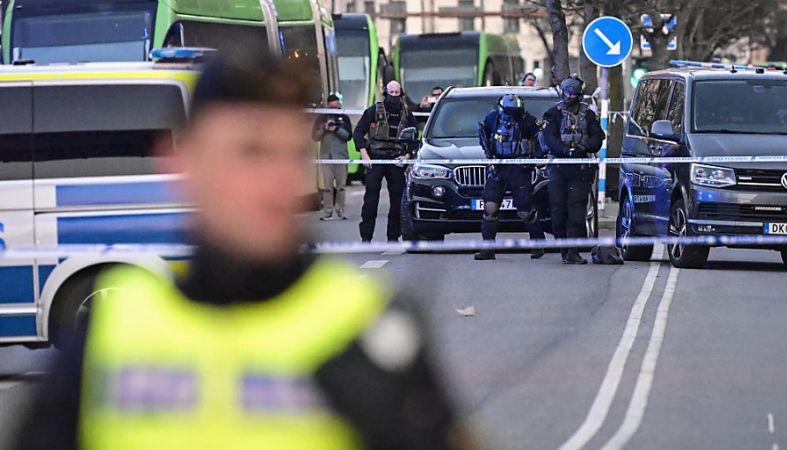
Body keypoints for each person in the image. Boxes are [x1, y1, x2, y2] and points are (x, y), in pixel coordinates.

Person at [14, 51, 471, 450]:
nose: (279, 182)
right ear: (181, 160)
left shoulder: (366, 331)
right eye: (251, 152)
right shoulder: (110, 337)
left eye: (291, 154)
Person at [541, 75, 605, 264]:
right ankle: (563, 247)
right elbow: (550, 140)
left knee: (577, 211)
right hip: (558, 168)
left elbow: (597, 138)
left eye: (574, 94)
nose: (570, 98)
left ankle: (573, 250)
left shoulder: (589, 115)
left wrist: (583, 148)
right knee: (558, 210)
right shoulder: (552, 114)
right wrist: (565, 151)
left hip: (580, 168)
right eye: (568, 93)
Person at [473, 94, 545, 261]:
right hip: (498, 167)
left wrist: (533, 159)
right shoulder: (492, 118)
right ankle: (488, 249)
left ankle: (538, 242)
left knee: (524, 211)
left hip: (520, 169)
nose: (513, 114)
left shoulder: (529, 121)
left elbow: (542, 142)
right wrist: (489, 155)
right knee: (490, 207)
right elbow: (484, 137)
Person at [354, 80, 418, 242]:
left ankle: (393, 237)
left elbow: (414, 136)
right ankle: (366, 237)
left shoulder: (406, 112)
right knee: (371, 199)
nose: (395, 96)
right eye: (392, 93)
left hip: (396, 159)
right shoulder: (374, 110)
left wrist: (407, 156)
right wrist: (364, 154)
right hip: (376, 157)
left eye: (397, 93)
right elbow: (358, 132)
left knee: (398, 200)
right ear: (386, 93)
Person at [314, 93, 353, 220]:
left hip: (341, 156)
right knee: (327, 186)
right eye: (331, 108)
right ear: (327, 106)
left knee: (341, 185)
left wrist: (336, 129)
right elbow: (314, 137)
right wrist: (324, 128)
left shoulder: (344, 118)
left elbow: (348, 136)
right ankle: (328, 211)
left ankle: (340, 210)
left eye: (337, 107)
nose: (334, 110)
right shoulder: (321, 118)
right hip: (326, 156)